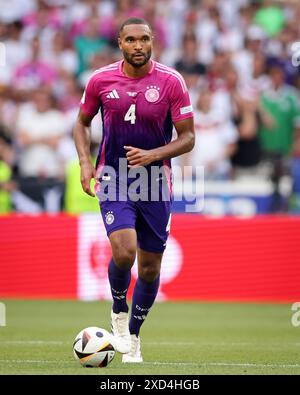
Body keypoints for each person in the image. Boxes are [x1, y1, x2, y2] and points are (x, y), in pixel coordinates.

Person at [73, 17, 195, 363]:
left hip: (155, 182)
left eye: (144, 39)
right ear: (120, 43)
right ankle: (118, 312)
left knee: (150, 269)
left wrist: (153, 155)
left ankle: (134, 337)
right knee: (125, 252)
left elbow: (188, 138)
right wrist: (85, 163)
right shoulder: (100, 80)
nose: (138, 46)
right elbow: (81, 124)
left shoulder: (171, 82)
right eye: (131, 40)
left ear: (152, 41)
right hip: (114, 176)